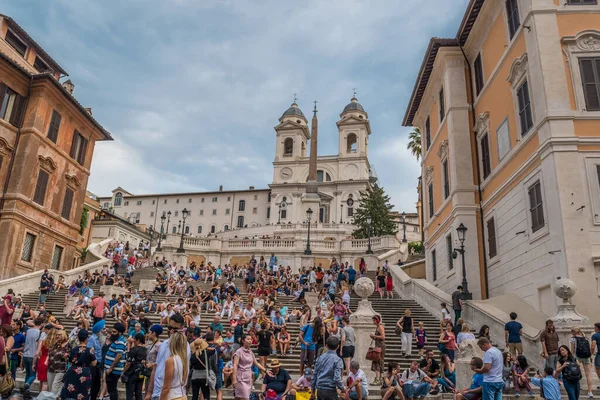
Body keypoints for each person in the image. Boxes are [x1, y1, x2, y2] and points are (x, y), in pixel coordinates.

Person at [147, 314, 191, 400]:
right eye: (169, 328)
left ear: (182, 328)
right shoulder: (164, 344)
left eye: (175, 329)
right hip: (157, 392)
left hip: (169, 394)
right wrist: (149, 391)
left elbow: (182, 372)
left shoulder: (184, 346)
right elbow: (156, 367)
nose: (171, 331)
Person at [61, 329, 97, 400]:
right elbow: (94, 363)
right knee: (84, 391)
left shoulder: (74, 349)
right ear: (87, 339)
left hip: (72, 371)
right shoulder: (89, 350)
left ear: (78, 337)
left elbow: (70, 360)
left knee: (71, 392)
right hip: (84, 372)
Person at [232, 334, 267, 400]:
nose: (250, 341)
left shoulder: (250, 352)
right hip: (240, 377)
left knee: (238, 397)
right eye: (248, 339)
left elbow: (256, 363)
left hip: (248, 377)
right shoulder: (238, 352)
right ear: (243, 341)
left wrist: (265, 370)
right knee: (245, 398)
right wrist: (234, 379)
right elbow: (235, 365)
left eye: (251, 339)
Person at [160, 330, 189, 400]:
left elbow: (166, 387)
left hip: (172, 396)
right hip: (181, 394)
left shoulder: (171, 360)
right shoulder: (185, 359)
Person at [104, 322, 127, 400]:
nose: (113, 334)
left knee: (112, 390)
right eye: (112, 332)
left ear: (120, 333)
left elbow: (119, 356)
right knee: (111, 389)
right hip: (111, 370)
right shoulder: (116, 340)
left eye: (115, 332)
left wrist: (111, 368)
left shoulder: (120, 341)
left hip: (114, 371)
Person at [23, 317, 45, 392]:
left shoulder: (28, 331)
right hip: (34, 355)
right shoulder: (40, 333)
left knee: (27, 374)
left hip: (25, 354)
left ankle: (26, 390)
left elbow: (28, 321)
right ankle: (27, 384)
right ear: (41, 324)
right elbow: (40, 345)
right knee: (33, 375)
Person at [570, 327, 594, 398]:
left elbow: (572, 351)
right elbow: (589, 349)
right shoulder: (586, 338)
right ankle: (590, 392)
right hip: (586, 357)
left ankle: (577, 388)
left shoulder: (573, 339)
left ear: (574, 332)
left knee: (577, 373)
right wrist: (590, 357)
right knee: (588, 374)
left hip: (578, 357)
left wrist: (570, 358)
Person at [47, 328, 71, 395]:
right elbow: (50, 353)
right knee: (50, 387)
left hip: (60, 369)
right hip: (51, 368)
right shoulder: (55, 344)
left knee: (55, 388)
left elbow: (70, 355)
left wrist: (66, 355)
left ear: (63, 335)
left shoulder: (68, 344)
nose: (57, 336)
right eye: (56, 335)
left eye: (59, 335)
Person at [123, 333, 147, 400]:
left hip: (132, 373)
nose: (133, 341)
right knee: (138, 393)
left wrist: (123, 372)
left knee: (129, 393)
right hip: (141, 373)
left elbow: (128, 363)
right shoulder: (145, 350)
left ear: (138, 340)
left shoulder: (133, 350)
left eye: (134, 339)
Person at [87, 320, 104, 400]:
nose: (105, 330)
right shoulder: (92, 339)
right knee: (93, 383)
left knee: (97, 385)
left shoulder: (98, 339)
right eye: (103, 329)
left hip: (98, 364)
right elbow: (89, 351)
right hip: (93, 364)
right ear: (99, 330)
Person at [370, 315, 385, 385]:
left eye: (374, 320)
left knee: (377, 362)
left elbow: (383, 337)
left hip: (380, 347)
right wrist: (374, 338)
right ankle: (380, 379)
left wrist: (374, 336)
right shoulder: (378, 326)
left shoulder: (380, 327)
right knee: (378, 362)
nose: (373, 322)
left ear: (377, 320)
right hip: (378, 345)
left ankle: (378, 379)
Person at [591, 322, 600, 390]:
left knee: (597, 368)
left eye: (595, 327)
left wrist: (591, 353)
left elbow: (593, 346)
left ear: (597, 328)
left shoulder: (595, 336)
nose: (594, 328)